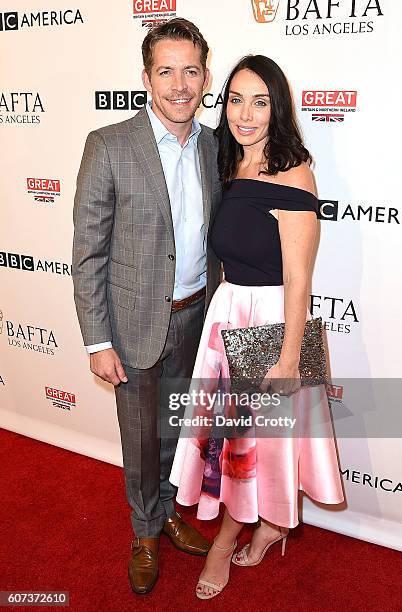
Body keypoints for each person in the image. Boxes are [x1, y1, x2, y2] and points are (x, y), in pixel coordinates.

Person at [169, 55, 345, 600]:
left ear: (278, 108)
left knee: (250, 443)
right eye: (236, 99)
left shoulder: (294, 174)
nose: (245, 114)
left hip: (270, 324)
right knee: (240, 442)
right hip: (229, 317)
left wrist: (290, 358)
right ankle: (271, 524)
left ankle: (228, 539)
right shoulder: (230, 165)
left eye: (260, 101)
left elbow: (299, 278)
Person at [72, 18, 222, 595]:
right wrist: (96, 339)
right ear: (146, 78)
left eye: (191, 70)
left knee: (178, 429)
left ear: (206, 76)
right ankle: (144, 531)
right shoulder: (109, 145)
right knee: (138, 436)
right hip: (133, 324)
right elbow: (88, 252)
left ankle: (165, 511)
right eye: (166, 71)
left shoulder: (213, 146)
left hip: (195, 317)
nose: (179, 84)